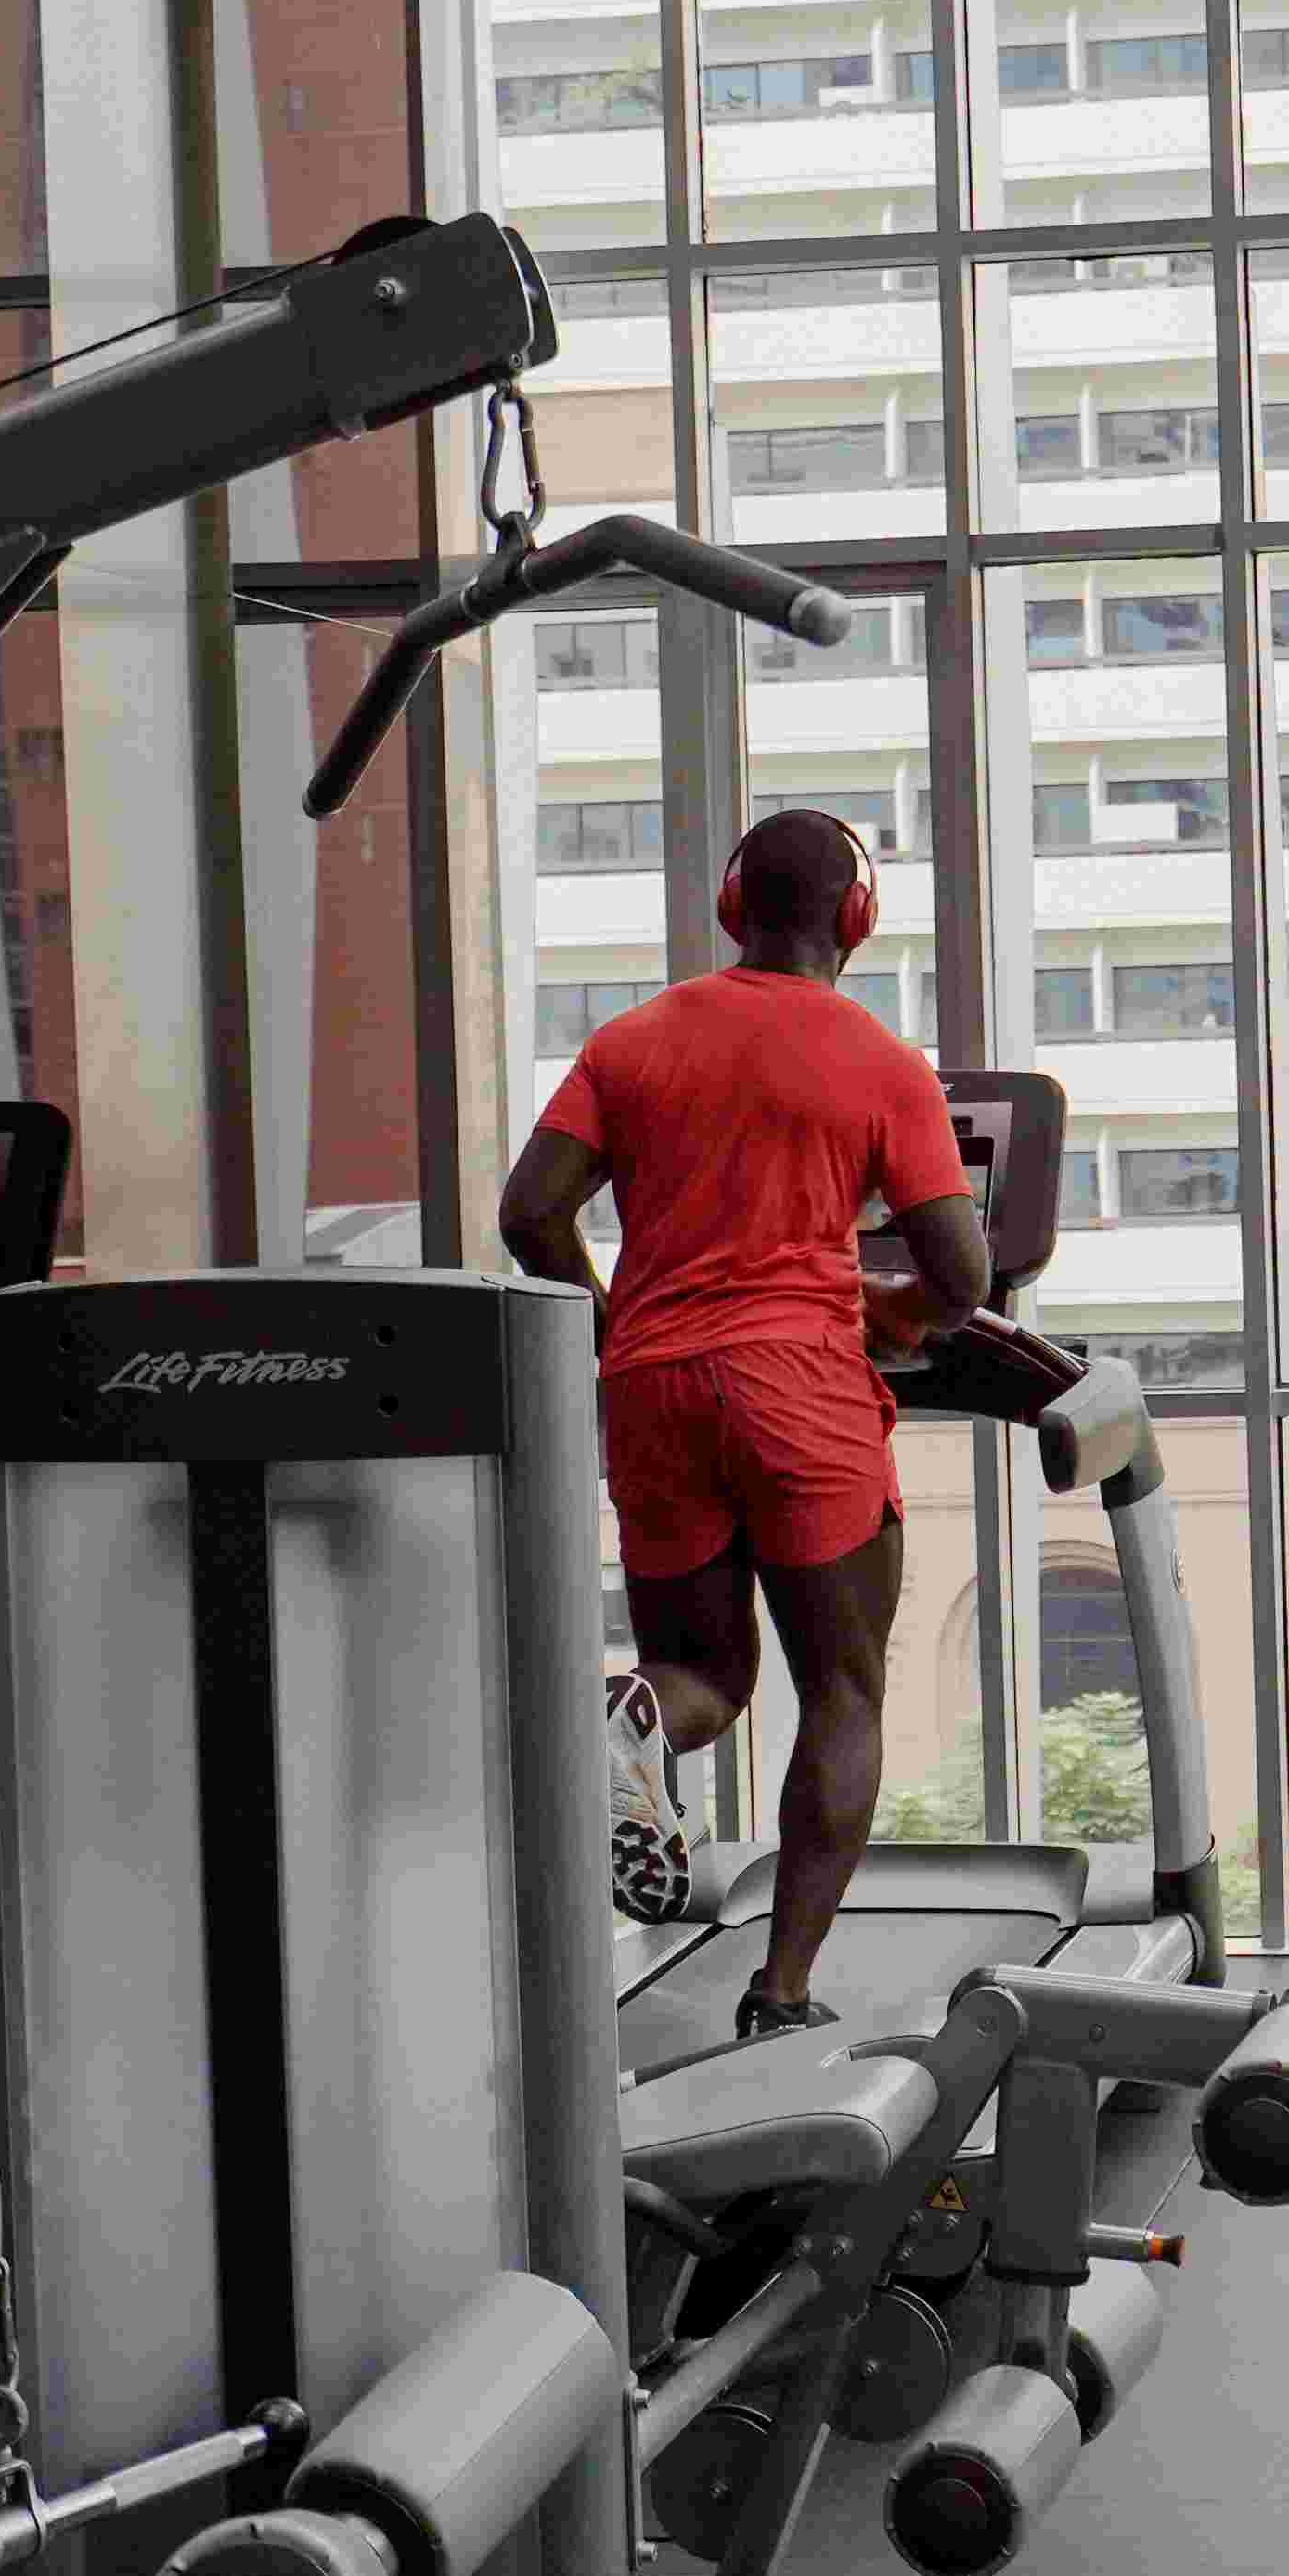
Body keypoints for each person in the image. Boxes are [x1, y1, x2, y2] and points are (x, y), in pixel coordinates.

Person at [497, 806, 989, 2042]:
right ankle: (781, 1995)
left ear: (734, 907)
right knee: (845, 1689)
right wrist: (901, 1313)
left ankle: (629, 1719)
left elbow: (529, 1214)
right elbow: (964, 1273)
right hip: (801, 1391)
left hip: (653, 1390)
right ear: (856, 918)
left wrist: (613, 1324)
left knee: (706, 1675)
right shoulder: (882, 1063)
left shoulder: (630, 1040)